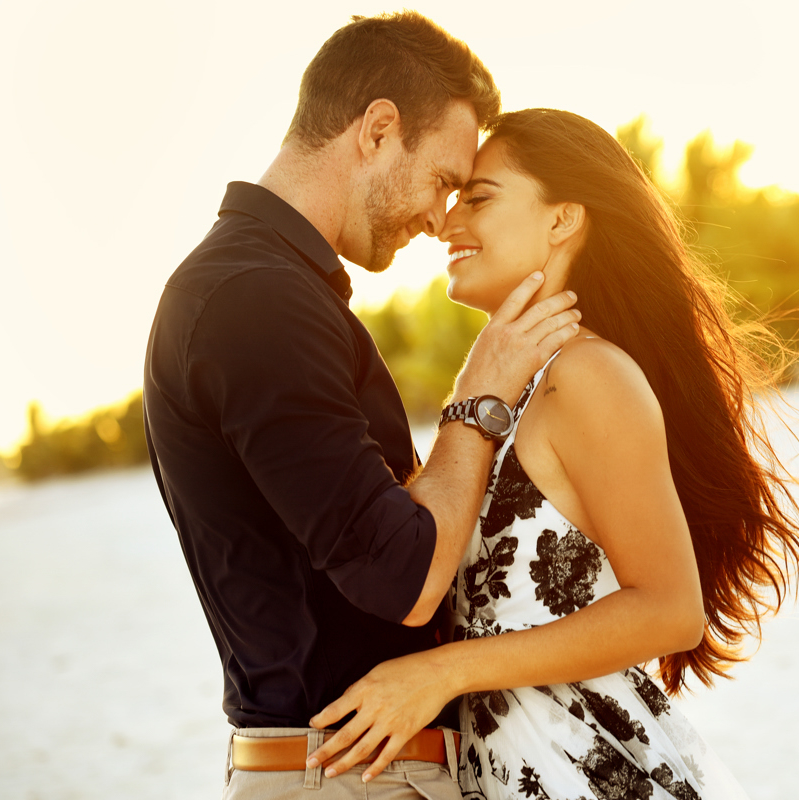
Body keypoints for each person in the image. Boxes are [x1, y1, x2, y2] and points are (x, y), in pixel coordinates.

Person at [305, 109, 799, 799]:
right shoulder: (504, 397)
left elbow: (672, 610)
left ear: (562, 220)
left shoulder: (587, 376)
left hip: (588, 771)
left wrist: (443, 673)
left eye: (479, 198)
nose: (447, 221)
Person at [142, 15, 581, 800]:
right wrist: (479, 396)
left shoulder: (266, 291)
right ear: (378, 130)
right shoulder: (256, 301)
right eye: (445, 179)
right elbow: (404, 578)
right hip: (353, 777)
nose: (443, 217)